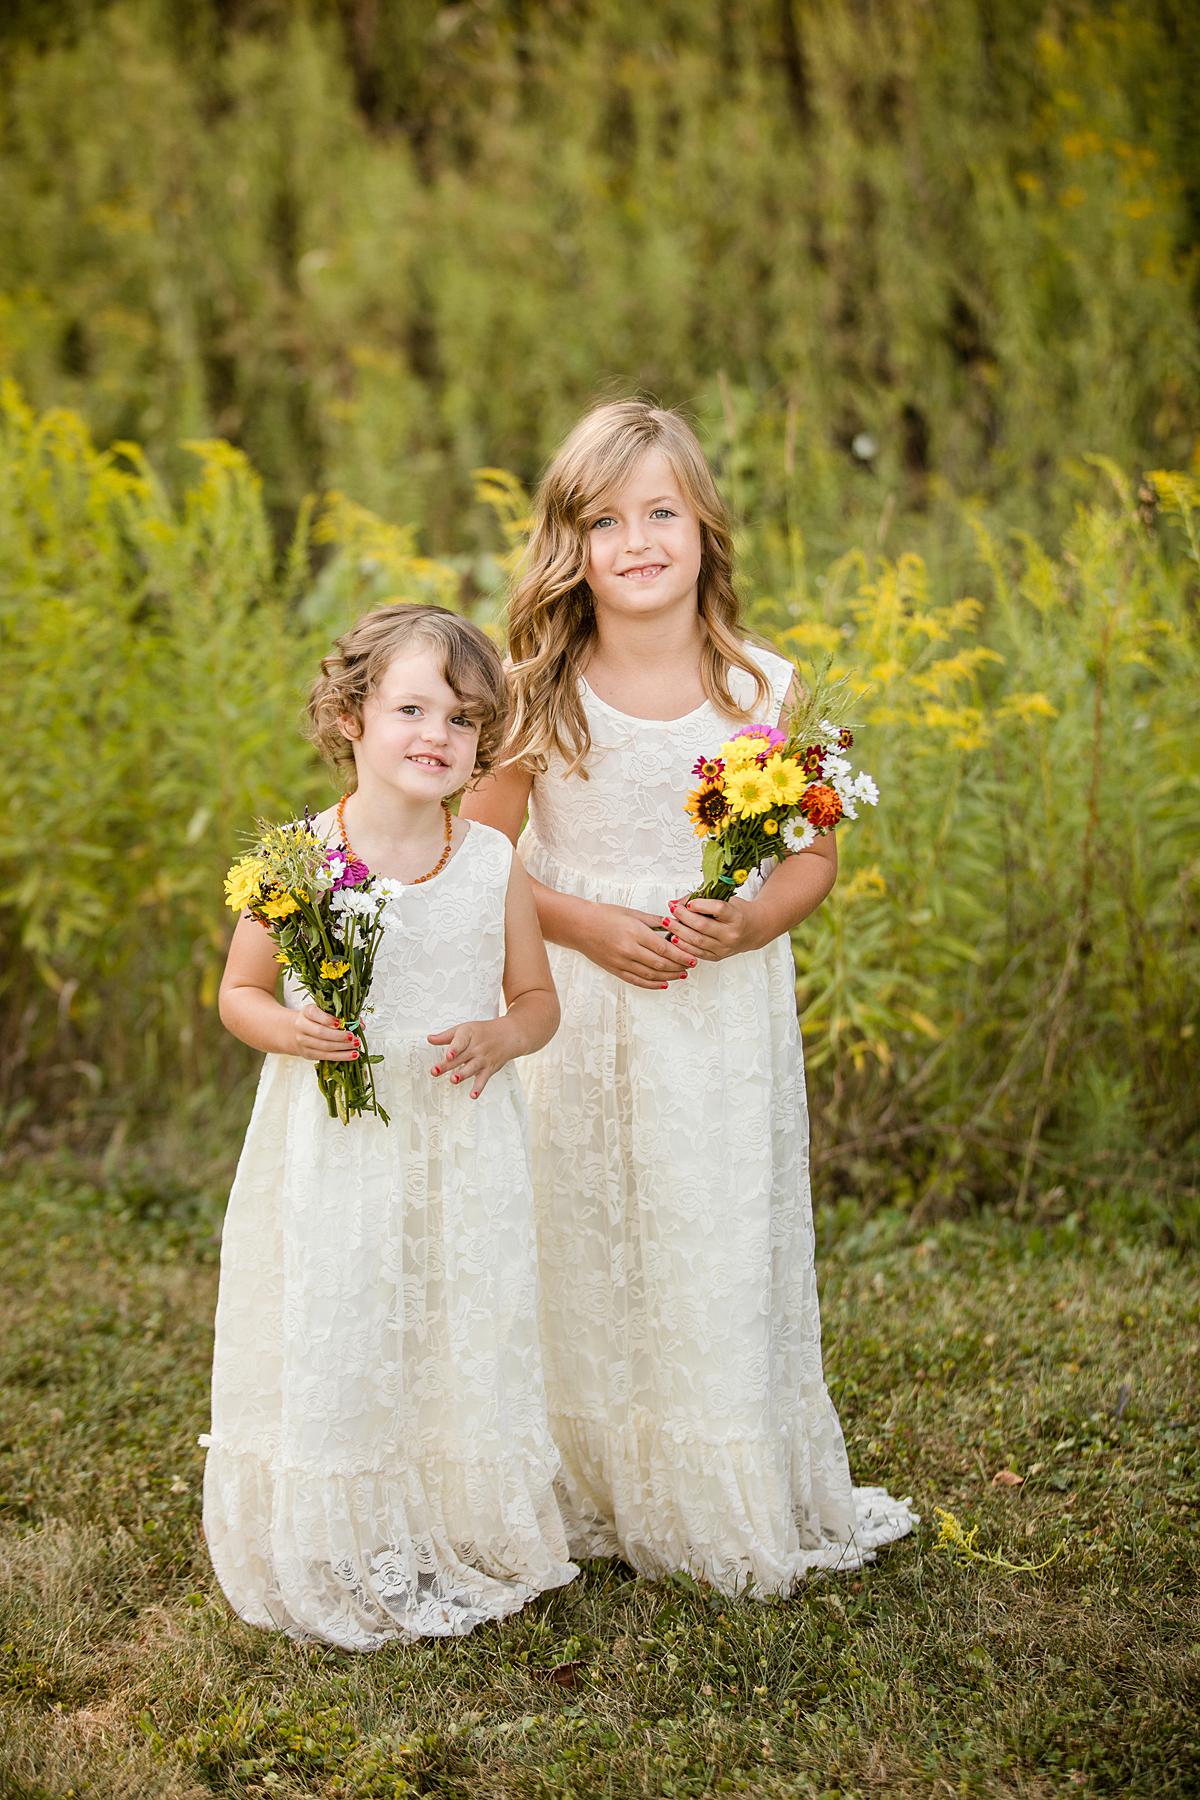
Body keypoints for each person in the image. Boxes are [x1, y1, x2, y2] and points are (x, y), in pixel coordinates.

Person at [461, 400, 918, 1595]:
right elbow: (479, 859)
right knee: (573, 1225)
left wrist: (755, 917)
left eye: (662, 512)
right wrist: (587, 924)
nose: (639, 540)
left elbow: (811, 853)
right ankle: (577, 1478)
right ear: (572, 546)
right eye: (606, 521)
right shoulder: (536, 692)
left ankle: (710, 1486)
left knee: (705, 1227)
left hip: (715, 1012)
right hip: (574, 1000)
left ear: (705, 528)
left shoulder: (764, 683)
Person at [201, 602, 577, 1649]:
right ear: (351, 715)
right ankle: (340, 1525)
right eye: (411, 708)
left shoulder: (492, 861)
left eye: (461, 720)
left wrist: (506, 1038)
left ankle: (452, 1512)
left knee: (456, 1313)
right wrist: (292, 1027)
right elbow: (238, 992)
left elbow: (539, 1000)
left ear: (482, 744)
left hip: (459, 1145)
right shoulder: (301, 857)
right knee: (352, 1312)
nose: (436, 736)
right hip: (340, 1145)